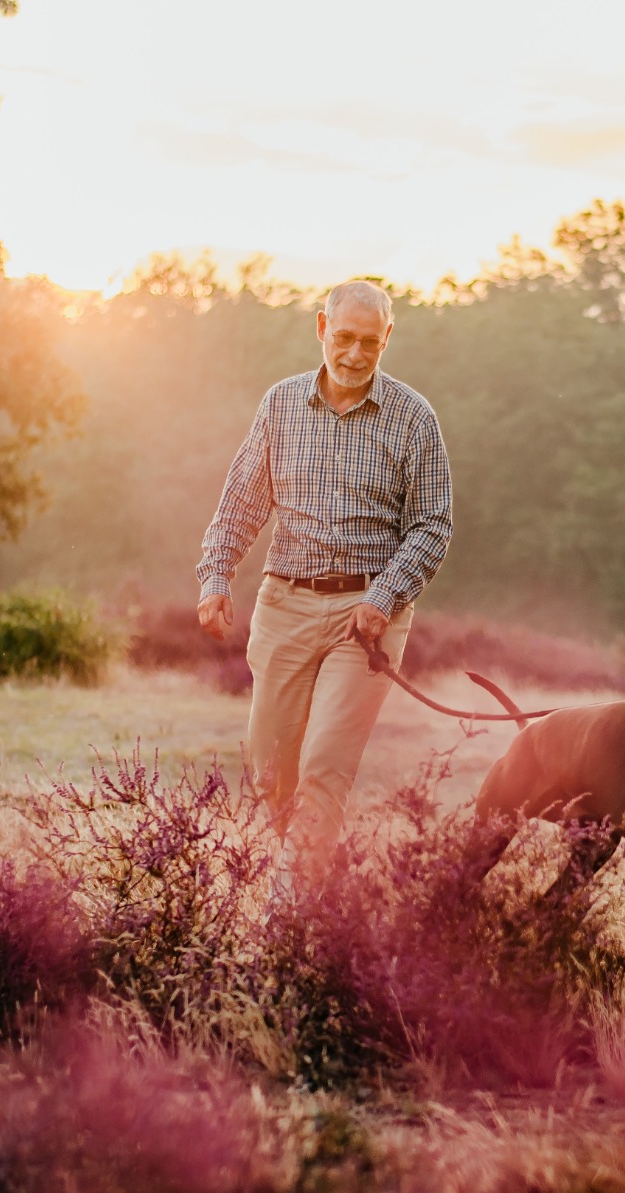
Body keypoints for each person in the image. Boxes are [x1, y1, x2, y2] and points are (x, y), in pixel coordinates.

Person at [195, 280, 453, 856]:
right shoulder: (281, 404)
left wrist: (383, 599)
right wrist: (216, 578)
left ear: (388, 337)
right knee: (271, 776)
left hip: (364, 619)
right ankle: (299, 891)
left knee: (324, 769)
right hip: (284, 604)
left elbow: (433, 526)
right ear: (320, 329)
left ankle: (298, 917)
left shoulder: (414, 418)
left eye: (370, 341)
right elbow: (241, 503)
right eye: (343, 338)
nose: (355, 354)